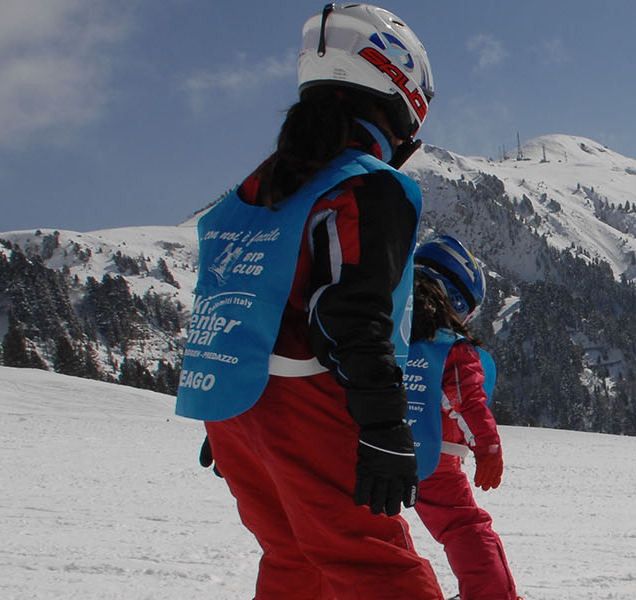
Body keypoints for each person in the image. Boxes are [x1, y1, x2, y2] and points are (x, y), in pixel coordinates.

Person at [175, 4, 442, 597]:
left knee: (294, 559)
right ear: (398, 88)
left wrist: (235, 408)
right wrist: (384, 426)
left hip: (237, 406)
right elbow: (352, 314)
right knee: (373, 565)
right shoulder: (368, 183)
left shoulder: (260, 184)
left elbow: (235, 293)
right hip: (312, 404)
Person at [403, 236, 522, 600]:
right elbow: (469, 400)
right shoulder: (450, 346)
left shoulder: (383, 331)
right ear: (456, 301)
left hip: (366, 446)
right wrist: (487, 448)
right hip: (436, 457)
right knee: (463, 527)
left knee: (370, 529)